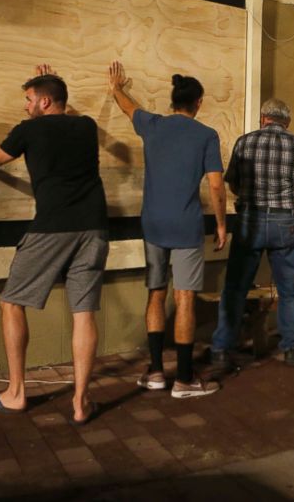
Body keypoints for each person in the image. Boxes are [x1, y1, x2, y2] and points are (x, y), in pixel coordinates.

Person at [0, 65, 108, 425]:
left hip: (52, 228)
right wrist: (54, 82)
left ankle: (15, 394)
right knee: (84, 312)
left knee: (11, 303)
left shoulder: (28, 131)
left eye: (29, 100)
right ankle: (80, 402)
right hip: (95, 227)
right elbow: (65, 113)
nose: (25, 106)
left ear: (43, 102)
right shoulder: (87, 126)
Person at [107, 60, 227, 398]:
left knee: (156, 293)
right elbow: (216, 186)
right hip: (186, 225)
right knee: (184, 296)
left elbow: (129, 108)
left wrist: (116, 88)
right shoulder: (206, 135)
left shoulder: (153, 125)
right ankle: (185, 379)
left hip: (153, 224)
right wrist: (220, 224)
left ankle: (157, 372)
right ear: (198, 103)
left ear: (173, 101)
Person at [211, 99, 294, 367]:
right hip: (286, 223)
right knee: (289, 288)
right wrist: (289, 194)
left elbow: (232, 183)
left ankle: (222, 348)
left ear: (263, 118)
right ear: (287, 122)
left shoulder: (244, 143)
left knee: (236, 287)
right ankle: (292, 348)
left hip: (250, 220)